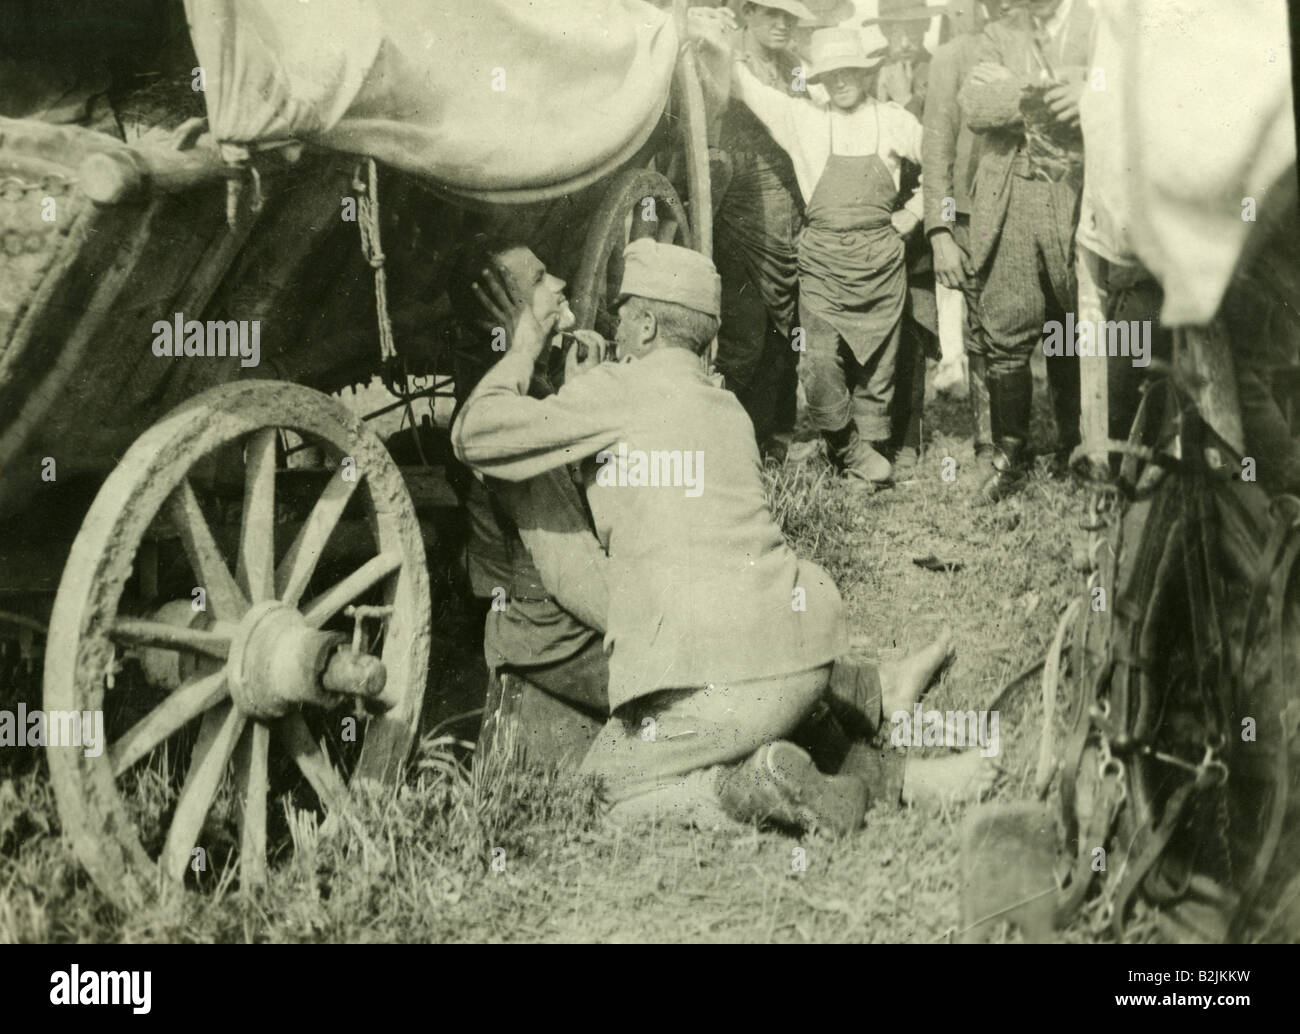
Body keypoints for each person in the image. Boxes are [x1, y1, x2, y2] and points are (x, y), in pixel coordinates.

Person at [452, 236, 994, 827]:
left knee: (600, 796)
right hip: (780, 644)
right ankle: (875, 738)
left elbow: (498, 439)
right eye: (537, 280)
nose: (559, 283)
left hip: (687, 658)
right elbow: (594, 555)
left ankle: (738, 788)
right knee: (744, 675)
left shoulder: (594, 395)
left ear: (649, 326)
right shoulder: (724, 403)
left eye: (626, 314)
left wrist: (538, 358)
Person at [693, 12, 926, 487]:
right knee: (818, 361)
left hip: (880, 259)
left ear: (865, 74)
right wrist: (705, 31)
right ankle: (844, 445)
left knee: (878, 362)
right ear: (821, 79)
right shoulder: (803, 119)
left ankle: (866, 455)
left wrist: (916, 213)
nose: (842, 82)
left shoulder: (895, 121)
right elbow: (744, 85)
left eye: (851, 72)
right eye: (832, 74)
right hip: (821, 259)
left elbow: (941, 164)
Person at [957, 0, 1095, 502]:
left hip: (1075, 196)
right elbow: (975, 103)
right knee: (1008, 326)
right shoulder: (999, 33)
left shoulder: (1096, 23)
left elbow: (1108, 100)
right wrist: (1050, 95)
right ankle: (1008, 456)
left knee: (1073, 322)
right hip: (1010, 198)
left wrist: (1084, 92)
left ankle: (1077, 446)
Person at [711, 1, 813, 467]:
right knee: (744, 331)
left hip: (790, 207)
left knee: (785, 330)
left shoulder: (795, 68)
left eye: (789, 16)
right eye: (771, 12)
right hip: (737, 206)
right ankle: (734, 445)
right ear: (747, 12)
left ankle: (778, 437)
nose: (781, 24)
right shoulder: (722, 56)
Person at [922, 0, 1007, 468]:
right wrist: (941, 230)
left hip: (1041, 208)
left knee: (1062, 323)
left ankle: (1071, 436)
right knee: (981, 330)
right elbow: (937, 148)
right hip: (975, 215)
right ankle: (988, 441)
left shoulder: (1041, 41)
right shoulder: (952, 56)